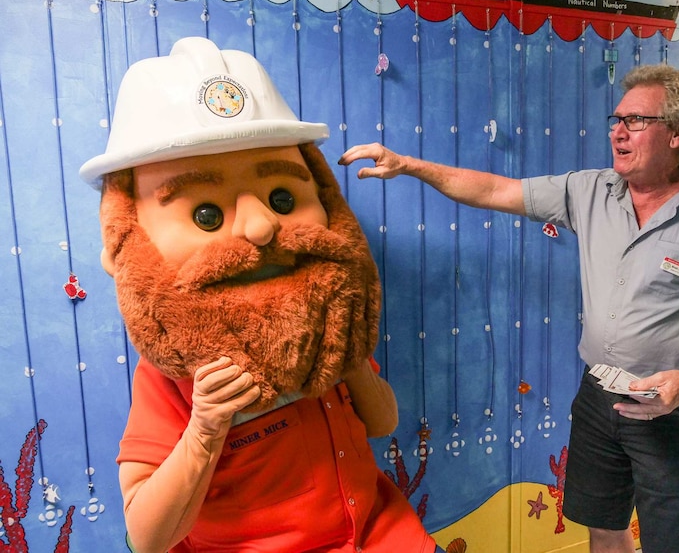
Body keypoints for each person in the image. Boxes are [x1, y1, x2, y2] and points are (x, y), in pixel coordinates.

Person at [339, 64, 679, 553]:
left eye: (635, 121)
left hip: (675, 405)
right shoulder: (589, 190)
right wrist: (409, 165)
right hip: (598, 395)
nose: (617, 130)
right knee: (602, 524)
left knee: (671, 542)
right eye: (616, 119)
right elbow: (493, 190)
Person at [80, 37, 438, 553]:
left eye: (282, 197)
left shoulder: (318, 314)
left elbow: (382, 423)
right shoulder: (174, 372)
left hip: (381, 534)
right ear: (126, 236)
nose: (261, 226)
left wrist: (348, 355)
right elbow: (146, 539)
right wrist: (205, 428)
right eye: (206, 213)